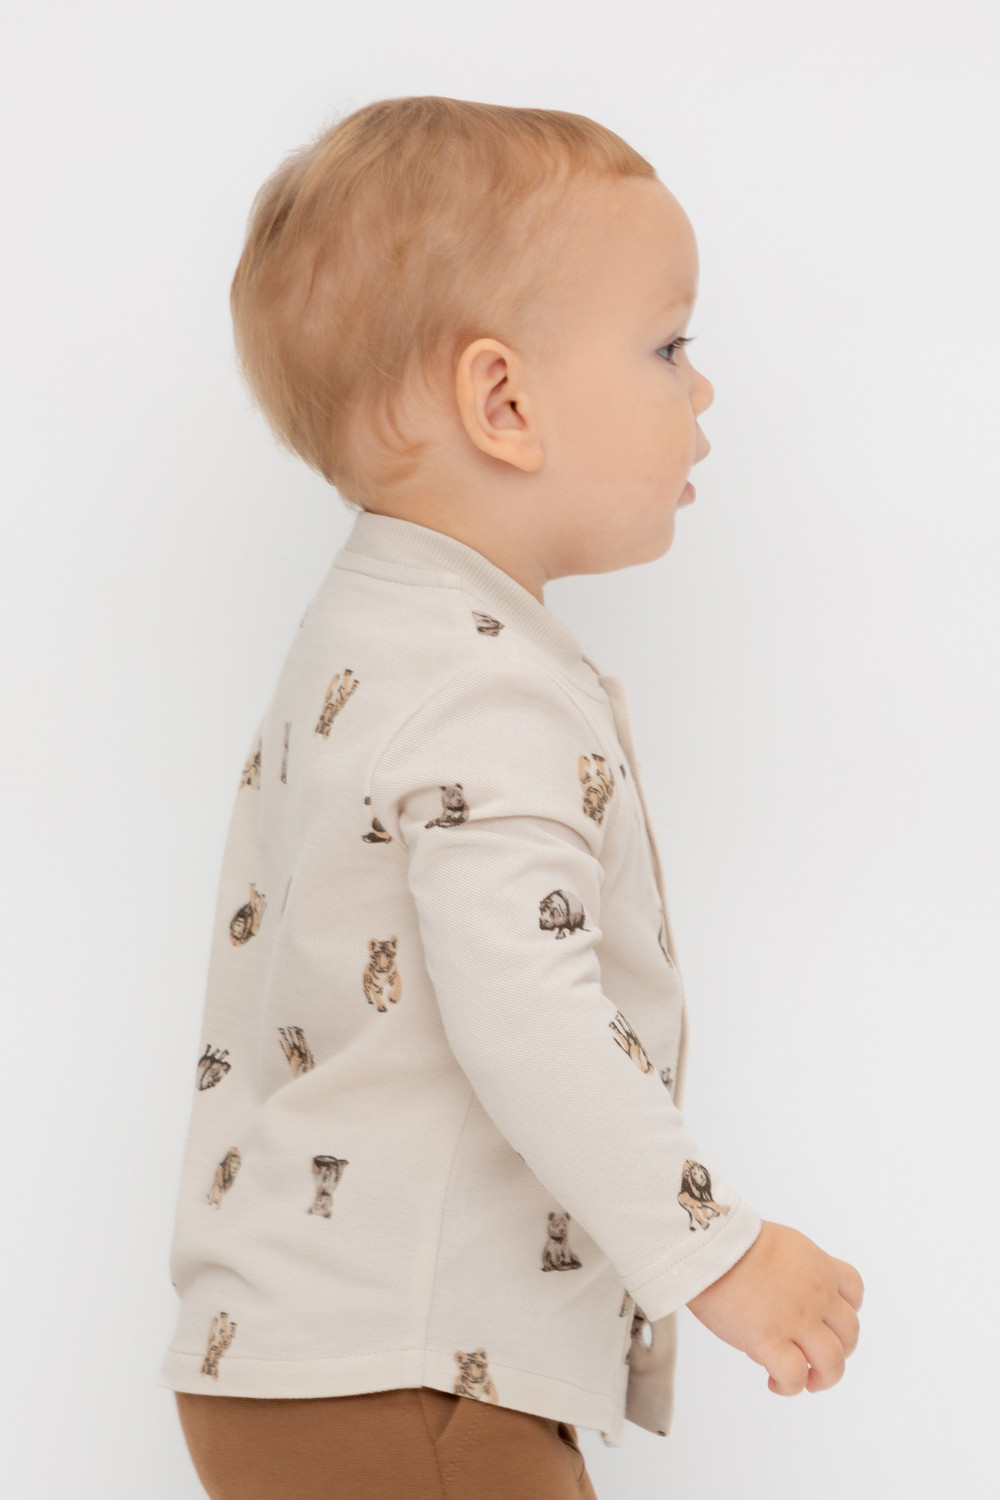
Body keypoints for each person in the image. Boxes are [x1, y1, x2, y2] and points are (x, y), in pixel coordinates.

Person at [159, 95, 864, 1500]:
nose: (701, 392)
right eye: (668, 347)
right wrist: (718, 1252)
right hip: (410, 1378)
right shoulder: (483, 689)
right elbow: (531, 1017)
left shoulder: (372, 636)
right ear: (504, 403)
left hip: (323, 1361)